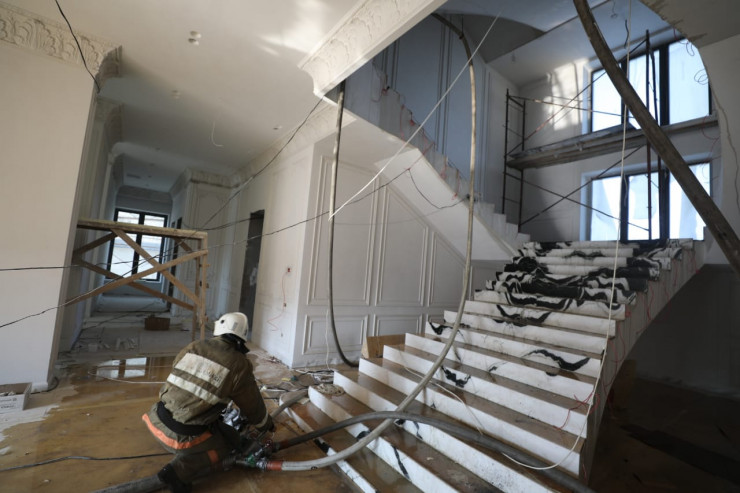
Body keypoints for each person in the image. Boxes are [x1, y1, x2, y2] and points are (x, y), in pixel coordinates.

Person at [143, 312, 274, 492]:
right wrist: (265, 424)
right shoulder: (239, 364)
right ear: (242, 337)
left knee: (225, 430)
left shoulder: (194, 346)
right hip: (179, 437)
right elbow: (253, 406)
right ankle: (178, 472)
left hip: (156, 419)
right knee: (230, 442)